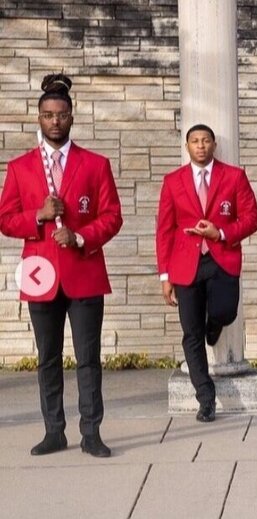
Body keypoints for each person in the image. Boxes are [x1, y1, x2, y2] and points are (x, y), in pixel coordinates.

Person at [0, 74, 123, 457]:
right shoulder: (20, 168)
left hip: (84, 274)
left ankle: (92, 433)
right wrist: (37, 215)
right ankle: (54, 430)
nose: (55, 121)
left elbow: (113, 216)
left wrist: (81, 237)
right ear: (39, 118)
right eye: (48, 114)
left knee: (88, 360)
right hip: (40, 276)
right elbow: (5, 219)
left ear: (72, 117)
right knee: (47, 359)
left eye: (62, 114)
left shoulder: (95, 164)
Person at [156, 124, 257, 423]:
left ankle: (214, 324)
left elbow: (252, 218)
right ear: (187, 146)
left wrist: (222, 232)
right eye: (194, 141)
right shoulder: (173, 181)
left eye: (205, 141)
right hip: (184, 264)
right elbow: (163, 230)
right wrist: (164, 276)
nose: (200, 146)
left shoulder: (234, 176)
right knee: (191, 333)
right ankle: (206, 396)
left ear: (214, 144)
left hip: (221, 258)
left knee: (225, 311)